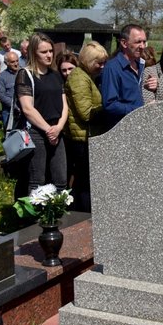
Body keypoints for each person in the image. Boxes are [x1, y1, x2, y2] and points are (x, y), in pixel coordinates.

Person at [16, 33, 69, 195]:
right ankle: (36, 218)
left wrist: (58, 127)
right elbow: (27, 108)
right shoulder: (26, 74)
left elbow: (64, 104)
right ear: (33, 53)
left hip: (56, 131)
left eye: (50, 51)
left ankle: (57, 213)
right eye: (43, 52)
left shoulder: (55, 75)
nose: (49, 55)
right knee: (37, 180)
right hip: (36, 132)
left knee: (61, 180)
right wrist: (48, 130)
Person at [65, 42, 110, 213]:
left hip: (86, 135)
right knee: (84, 182)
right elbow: (85, 112)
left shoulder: (86, 76)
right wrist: (108, 107)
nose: (102, 66)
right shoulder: (78, 77)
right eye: (99, 62)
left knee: (85, 180)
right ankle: (82, 215)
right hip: (81, 138)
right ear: (89, 60)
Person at [100, 24, 155, 126]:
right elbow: (110, 104)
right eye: (138, 42)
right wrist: (140, 109)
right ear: (124, 43)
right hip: (121, 129)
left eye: (144, 42)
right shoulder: (112, 68)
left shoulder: (141, 65)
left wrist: (153, 87)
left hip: (140, 126)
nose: (142, 46)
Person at [0, 51, 20, 129]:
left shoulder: (23, 73)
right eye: (13, 62)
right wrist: (16, 106)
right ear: (6, 63)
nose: (16, 64)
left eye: (17, 61)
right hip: (9, 112)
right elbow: (2, 96)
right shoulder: (2, 77)